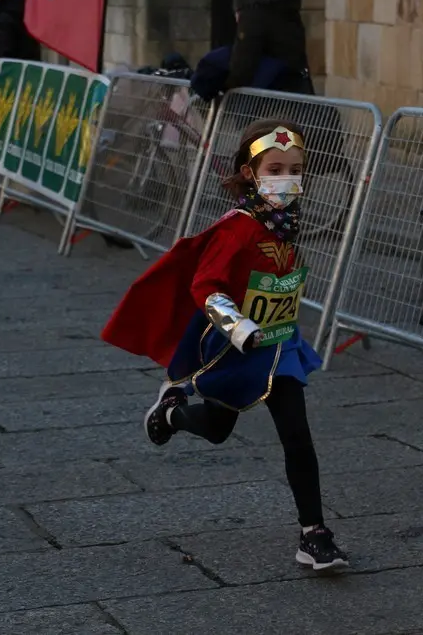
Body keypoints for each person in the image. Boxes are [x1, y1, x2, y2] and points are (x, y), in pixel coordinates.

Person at [101, 118, 349, 571]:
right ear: (250, 173)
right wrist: (238, 327)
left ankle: (313, 534)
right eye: (275, 170)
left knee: (297, 435)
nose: (286, 179)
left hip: (279, 345)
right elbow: (205, 285)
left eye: (295, 170)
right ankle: (171, 412)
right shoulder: (237, 229)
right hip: (235, 348)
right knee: (216, 429)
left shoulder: (285, 222)